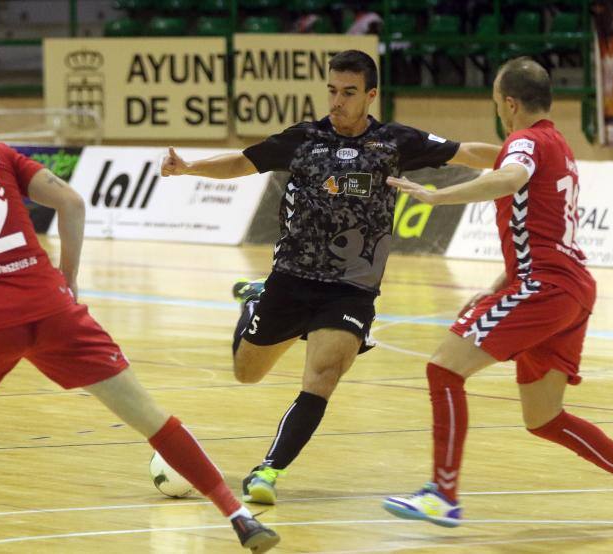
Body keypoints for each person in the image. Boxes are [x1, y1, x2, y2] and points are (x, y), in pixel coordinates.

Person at [0, 78, 279, 554]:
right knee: (150, 416)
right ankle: (239, 516)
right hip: (54, 310)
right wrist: (67, 280)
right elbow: (71, 201)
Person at [161, 49, 500, 505]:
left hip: (351, 288)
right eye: (332, 91)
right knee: (247, 373)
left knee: (323, 375)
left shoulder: (395, 141)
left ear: (371, 95)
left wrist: (527, 156)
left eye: (349, 93)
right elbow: (243, 162)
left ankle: (269, 471)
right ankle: (254, 302)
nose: (337, 102)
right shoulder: (303, 139)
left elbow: (466, 151)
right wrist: (189, 168)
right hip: (291, 279)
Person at [382, 57, 613, 528]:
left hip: (546, 287)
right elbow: (542, 221)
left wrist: (438, 196)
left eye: (498, 102)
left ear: (511, 103)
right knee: (543, 417)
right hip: (569, 287)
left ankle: (442, 494)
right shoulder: (557, 143)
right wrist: (502, 281)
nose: (499, 111)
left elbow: (510, 178)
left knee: (443, 370)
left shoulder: (524, 142)